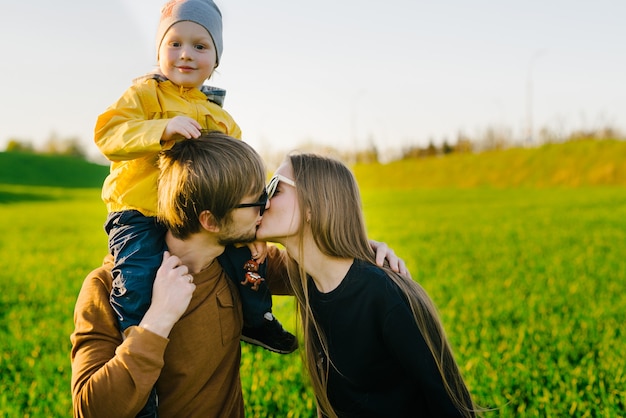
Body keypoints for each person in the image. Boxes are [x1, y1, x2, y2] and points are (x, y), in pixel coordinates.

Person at [71, 133, 408, 417]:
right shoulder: (106, 288)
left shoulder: (237, 261)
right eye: (255, 202)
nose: (266, 207)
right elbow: (91, 408)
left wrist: (365, 250)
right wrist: (157, 321)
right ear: (211, 222)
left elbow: (317, 265)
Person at [94, 0, 295, 367]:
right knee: (138, 279)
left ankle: (256, 317)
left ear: (215, 61)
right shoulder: (143, 95)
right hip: (140, 210)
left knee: (247, 259)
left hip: (203, 212)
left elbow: (241, 173)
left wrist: (255, 223)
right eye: (175, 43)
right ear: (159, 51)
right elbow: (108, 133)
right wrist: (161, 128)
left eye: (200, 46)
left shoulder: (221, 118)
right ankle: (135, 350)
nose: (186, 54)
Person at [255, 153, 479, 417]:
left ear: (312, 206)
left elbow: (451, 405)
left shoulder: (386, 296)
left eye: (274, 187)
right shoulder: (309, 284)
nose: (262, 200)